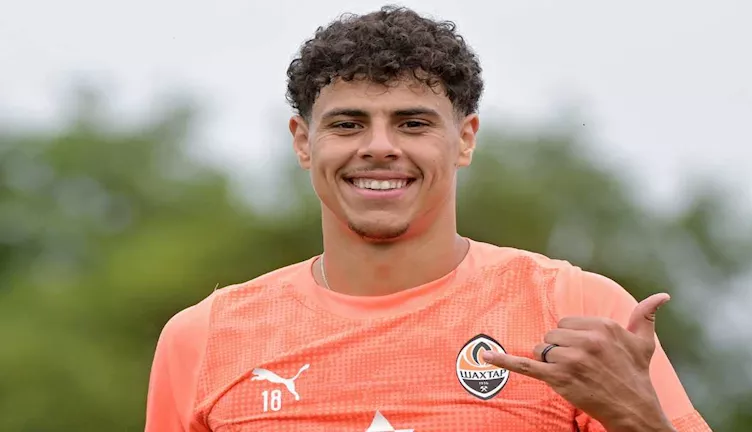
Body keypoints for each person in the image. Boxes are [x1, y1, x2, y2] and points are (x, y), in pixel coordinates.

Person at [144, 6, 712, 431]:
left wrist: (640, 421)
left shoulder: (576, 309)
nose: (379, 147)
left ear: (465, 139)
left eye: (413, 123)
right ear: (302, 141)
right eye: (347, 124)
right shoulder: (203, 339)